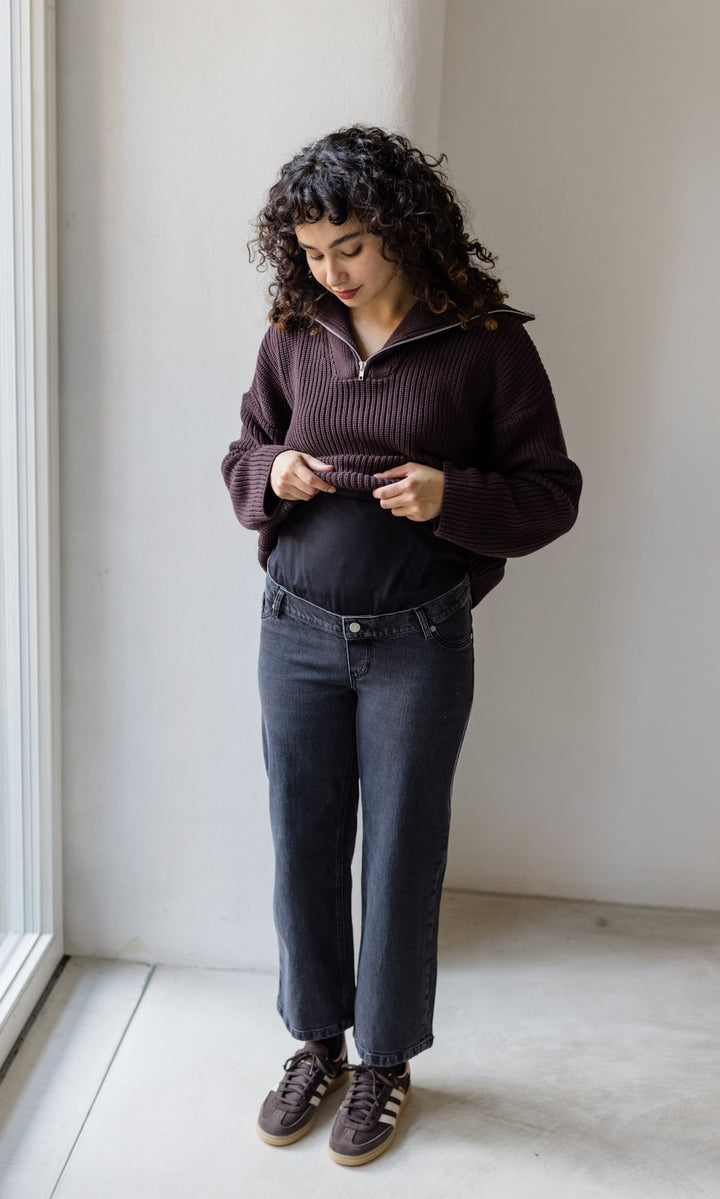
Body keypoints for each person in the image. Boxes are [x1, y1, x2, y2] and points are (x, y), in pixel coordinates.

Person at [222, 125, 581, 1167]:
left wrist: (449, 494)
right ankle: (317, 1042)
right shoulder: (295, 326)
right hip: (294, 629)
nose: (329, 272)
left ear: (404, 232)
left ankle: (385, 1060)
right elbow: (244, 446)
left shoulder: (486, 341)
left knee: (401, 852)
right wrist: (275, 472)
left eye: (349, 249)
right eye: (312, 251)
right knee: (303, 843)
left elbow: (551, 491)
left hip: (419, 637)